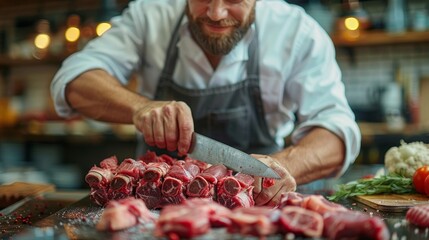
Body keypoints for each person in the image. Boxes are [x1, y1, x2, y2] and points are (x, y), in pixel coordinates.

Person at [51, 0, 361, 206]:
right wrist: (138, 107)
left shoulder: (295, 31)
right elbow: (73, 79)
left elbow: (337, 129)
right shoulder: (150, 16)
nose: (215, 13)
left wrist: (285, 166)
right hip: (153, 212)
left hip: (256, 209)